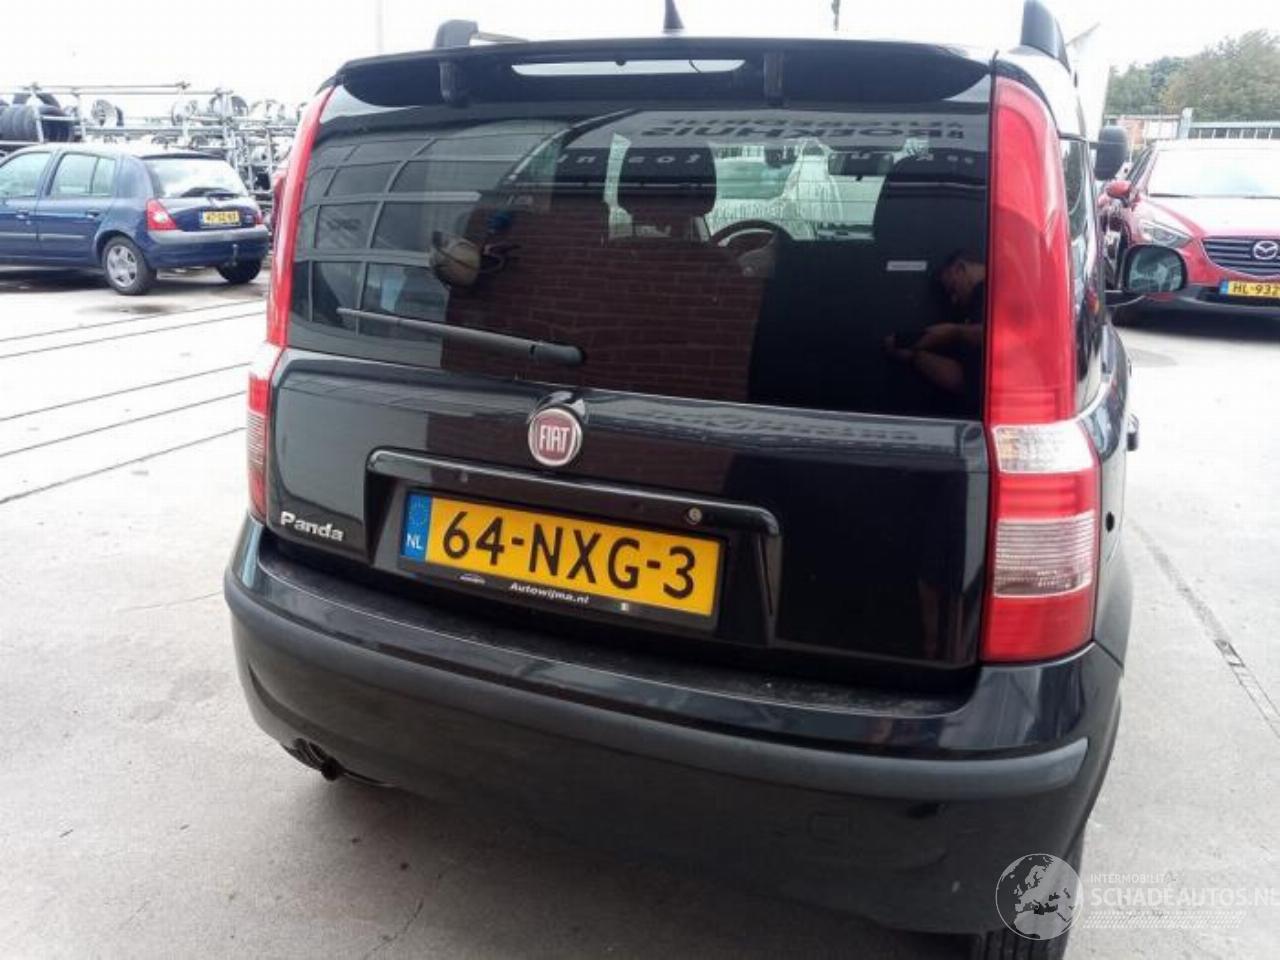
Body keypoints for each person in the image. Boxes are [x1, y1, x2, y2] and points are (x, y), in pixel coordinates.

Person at [883, 250, 985, 399]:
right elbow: (966, 380)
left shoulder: (1004, 290)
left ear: (960, 268)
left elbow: (1000, 337)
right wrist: (915, 355)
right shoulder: (972, 309)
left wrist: (954, 332)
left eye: (953, 289)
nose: (954, 300)